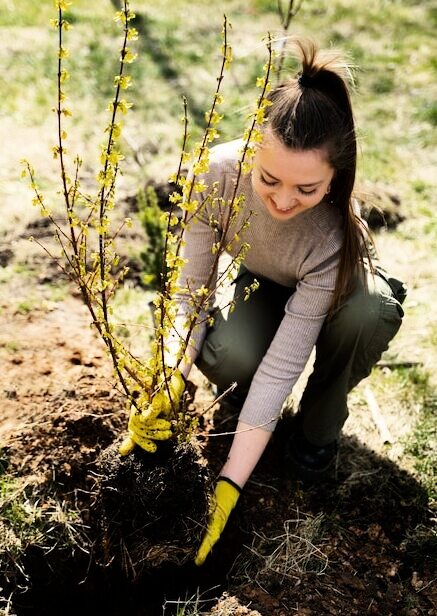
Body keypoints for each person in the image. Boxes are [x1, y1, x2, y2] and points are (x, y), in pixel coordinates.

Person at [121, 39, 406, 566]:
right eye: (269, 179)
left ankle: (317, 432)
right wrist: (169, 380)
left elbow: (284, 368)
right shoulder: (217, 176)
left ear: (335, 178)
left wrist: (229, 483)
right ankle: (240, 397)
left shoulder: (333, 236)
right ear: (252, 148)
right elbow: (189, 295)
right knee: (228, 357)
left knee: (368, 314)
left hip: (345, 295)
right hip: (268, 281)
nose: (281, 200)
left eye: (307, 188)